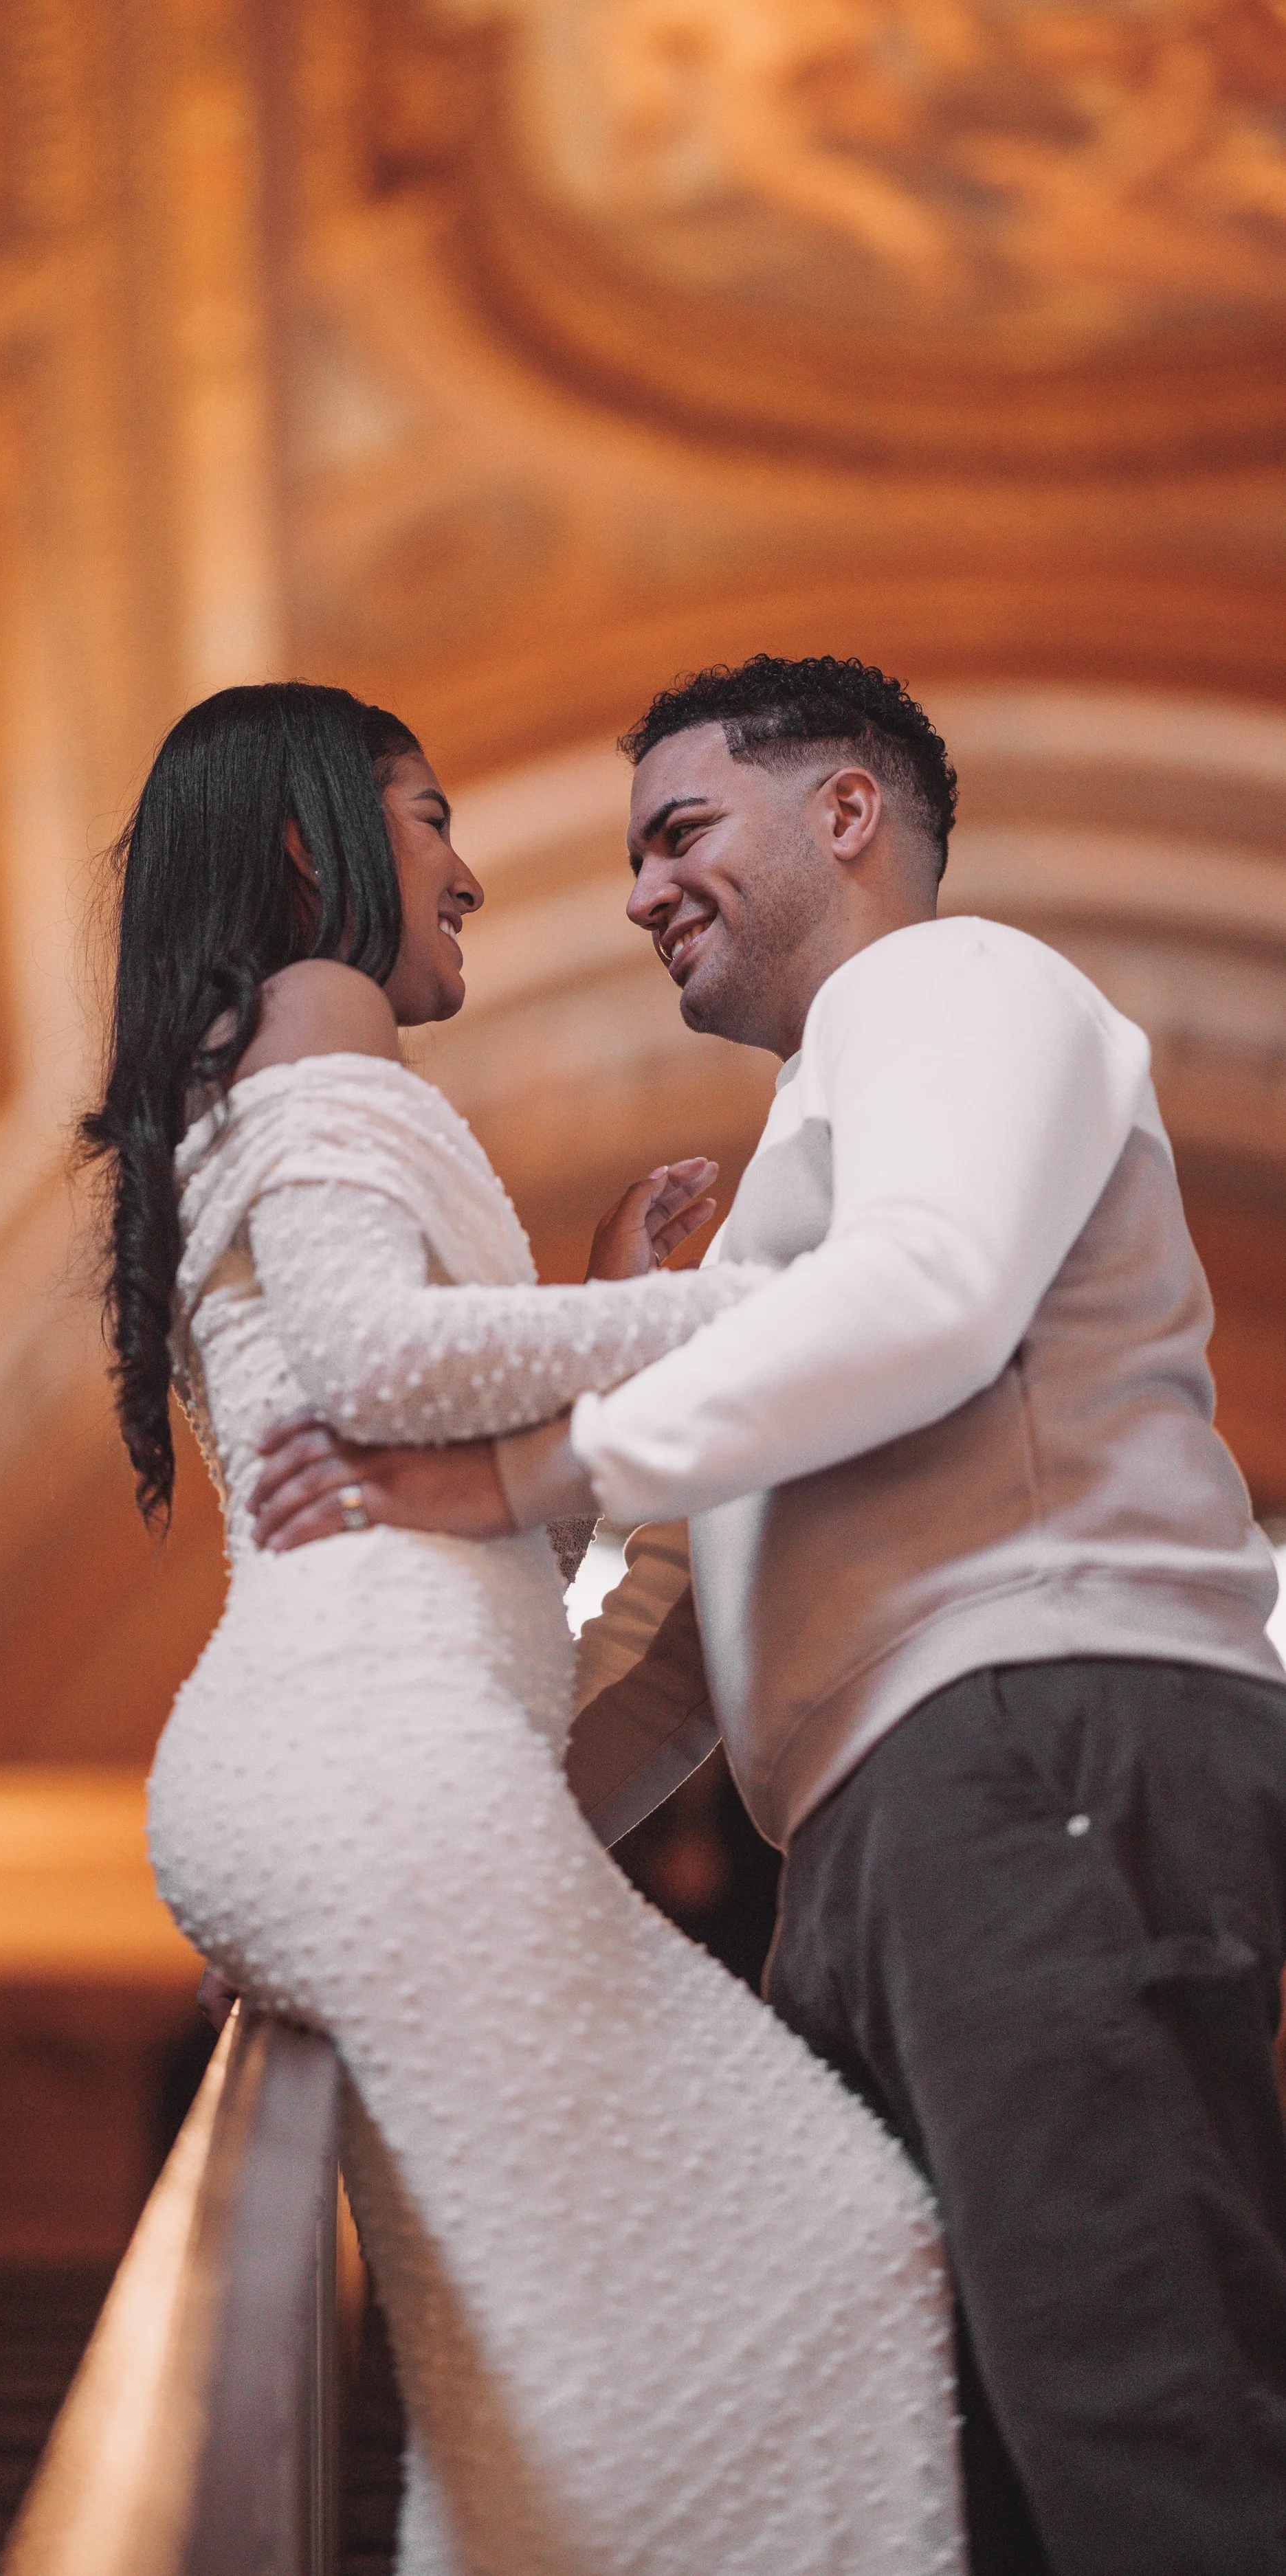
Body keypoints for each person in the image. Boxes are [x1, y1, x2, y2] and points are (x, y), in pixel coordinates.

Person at [252, 656, 1286, 2576]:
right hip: (893, 1820)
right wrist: (403, 1871)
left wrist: (513, 1469)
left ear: (845, 816)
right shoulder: (774, 1222)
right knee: (961, 2478)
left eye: (678, 831)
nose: (639, 888)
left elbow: (938, 1296)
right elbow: (666, 1643)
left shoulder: (949, 987)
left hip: (1032, 1729)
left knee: (1134, 2406)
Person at [82, 679, 964, 2576]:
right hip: (375, 1764)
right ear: (315, 844)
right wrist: (754, 1308)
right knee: (843, 2236)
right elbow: (376, 1360)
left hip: (350, 1758)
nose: (466, 870)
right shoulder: (318, 1024)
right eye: (425, 817)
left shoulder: (263, 1069)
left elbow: (426, 1444)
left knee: (516, 2407)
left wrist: (594, 1308)